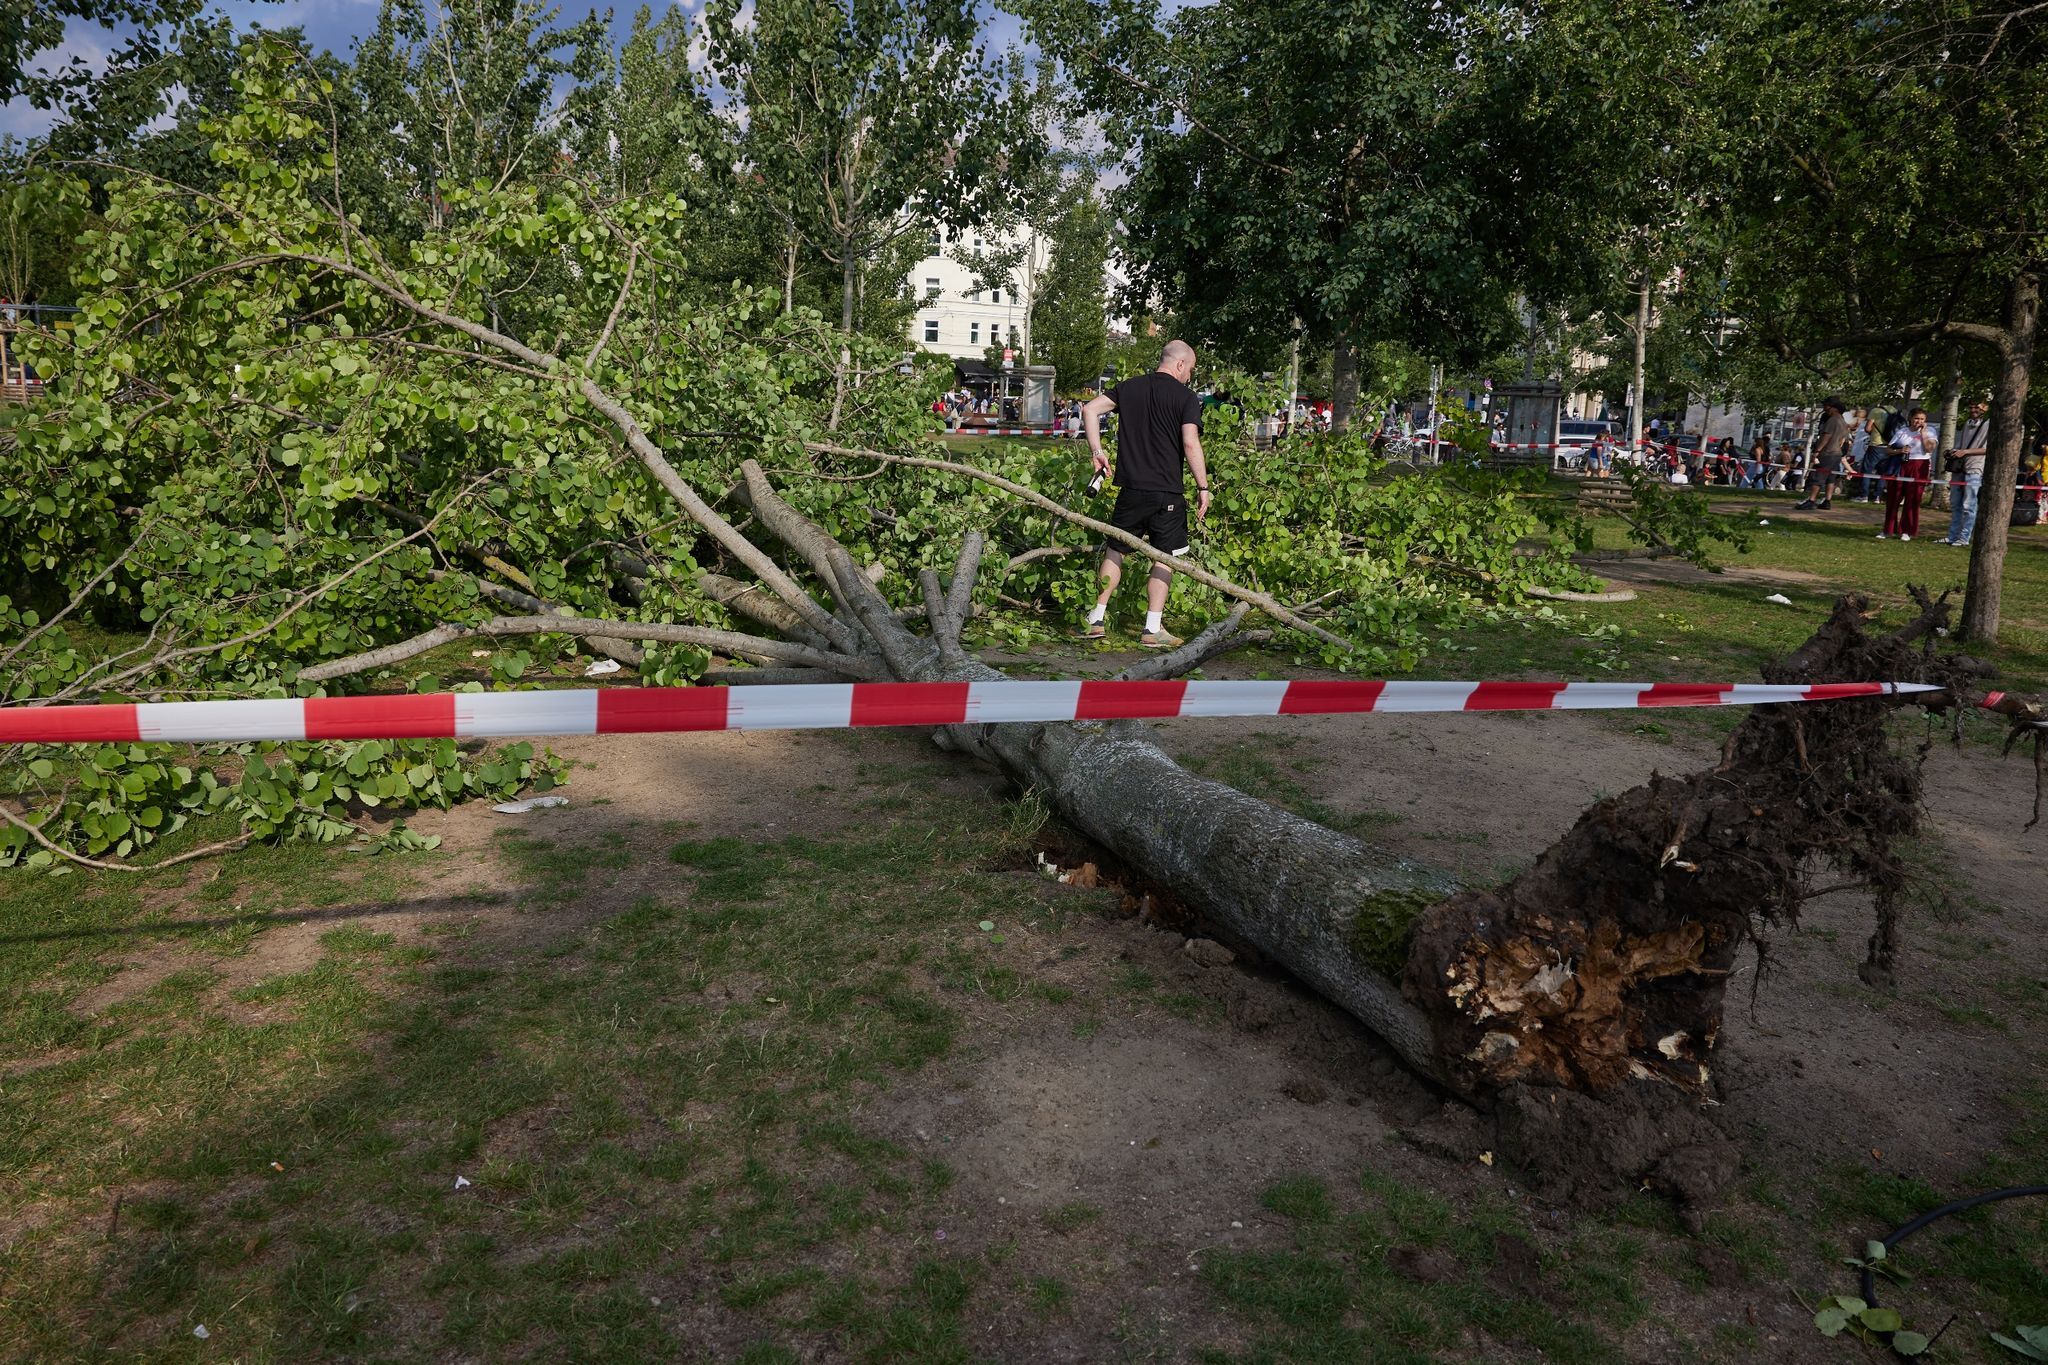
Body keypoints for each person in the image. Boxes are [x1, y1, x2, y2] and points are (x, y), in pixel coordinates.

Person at [1078, 339, 1212, 648]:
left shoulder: (1130, 387)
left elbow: (1090, 409)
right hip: (1167, 492)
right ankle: (1152, 629)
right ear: (1180, 364)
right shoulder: (1186, 397)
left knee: (1116, 550)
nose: (1189, 376)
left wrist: (1097, 452)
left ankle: (1095, 619)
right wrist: (1203, 487)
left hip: (1131, 489)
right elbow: (1190, 443)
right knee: (1164, 558)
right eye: (1190, 369)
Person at [1881, 407, 1937, 540]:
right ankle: (1888, 529)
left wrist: (1923, 434)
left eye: (1922, 419)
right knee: (1894, 497)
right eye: (1916, 418)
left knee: (1913, 498)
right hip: (1901, 464)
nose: (1919, 421)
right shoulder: (1902, 431)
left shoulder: (1931, 431)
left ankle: (1907, 530)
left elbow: (1929, 449)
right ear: (1910, 419)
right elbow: (1888, 449)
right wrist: (1900, 451)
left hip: (1919, 465)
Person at [1943, 400, 1991, 546]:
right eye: (1971, 407)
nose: (1973, 410)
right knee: (1955, 504)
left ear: (1985, 408)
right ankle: (1953, 536)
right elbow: (1961, 445)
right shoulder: (1967, 423)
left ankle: (1964, 538)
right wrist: (1952, 451)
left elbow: (1988, 449)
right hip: (1959, 468)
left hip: (1975, 469)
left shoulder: (1988, 424)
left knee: (1969, 505)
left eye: (1977, 407)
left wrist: (1966, 452)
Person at [1795, 397, 1852, 510]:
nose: (1825, 408)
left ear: (1834, 408)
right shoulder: (1843, 422)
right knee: (1831, 478)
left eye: (1826, 406)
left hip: (1827, 453)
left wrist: (1817, 451)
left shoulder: (1832, 420)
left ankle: (1811, 500)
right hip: (1837, 454)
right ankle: (1827, 501)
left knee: (1818, 477)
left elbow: (1826, 436)